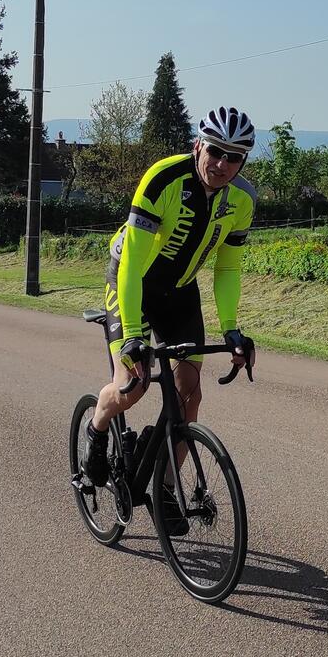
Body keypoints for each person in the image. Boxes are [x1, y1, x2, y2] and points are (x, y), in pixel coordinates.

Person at [81, 107, 259, 535]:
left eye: (234, 157)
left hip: (180, 292)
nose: (222, 164)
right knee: (133, 384)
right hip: (133, 281)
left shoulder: (243, 200)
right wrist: (133, 337)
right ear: (198, 146)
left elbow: (228, 268)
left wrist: (232, 329)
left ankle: (163, 487)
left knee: (189, 393)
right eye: (215, 151)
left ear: (243, 162)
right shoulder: (164, 179)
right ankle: (97, 429)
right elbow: (133, 263)